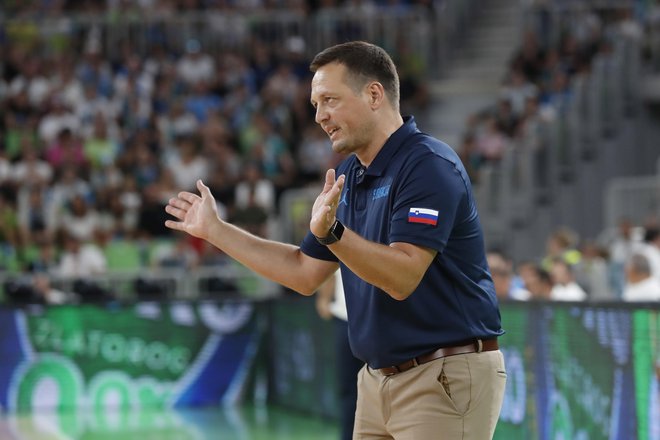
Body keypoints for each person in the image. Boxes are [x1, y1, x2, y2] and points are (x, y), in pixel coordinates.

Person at [165, 41, 506, 439]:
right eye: (314, 104)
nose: (320, 116)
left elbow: (403, 275)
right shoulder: (352, 171)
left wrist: (334, 234)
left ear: (374, 94)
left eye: (329, 100)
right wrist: (217, 232)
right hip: (377, 379)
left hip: (442, 375)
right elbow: (304, 272)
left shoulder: (428, 165)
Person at [316, 271, 364, 440]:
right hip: (344, 321)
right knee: (348, 387)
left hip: (375, 320)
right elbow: (328, 269)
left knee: (383, 382)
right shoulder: (339, 245)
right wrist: (324, 298)